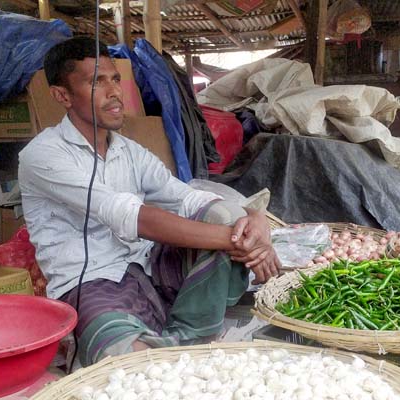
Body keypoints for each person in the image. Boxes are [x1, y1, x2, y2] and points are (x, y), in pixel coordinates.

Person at [18, 36, 281, 368]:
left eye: (115, 79)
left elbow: (185, 196)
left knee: (224, 214)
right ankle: (162, 345)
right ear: (62, 95)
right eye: (96, 82)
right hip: (94, 280)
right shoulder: (43, 154)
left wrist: (252, 218)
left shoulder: (127, 150)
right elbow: (126, 215)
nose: (114, 92)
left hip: (146, 267)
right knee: (124, 364)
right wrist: (236, 241)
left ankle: (192, 335)